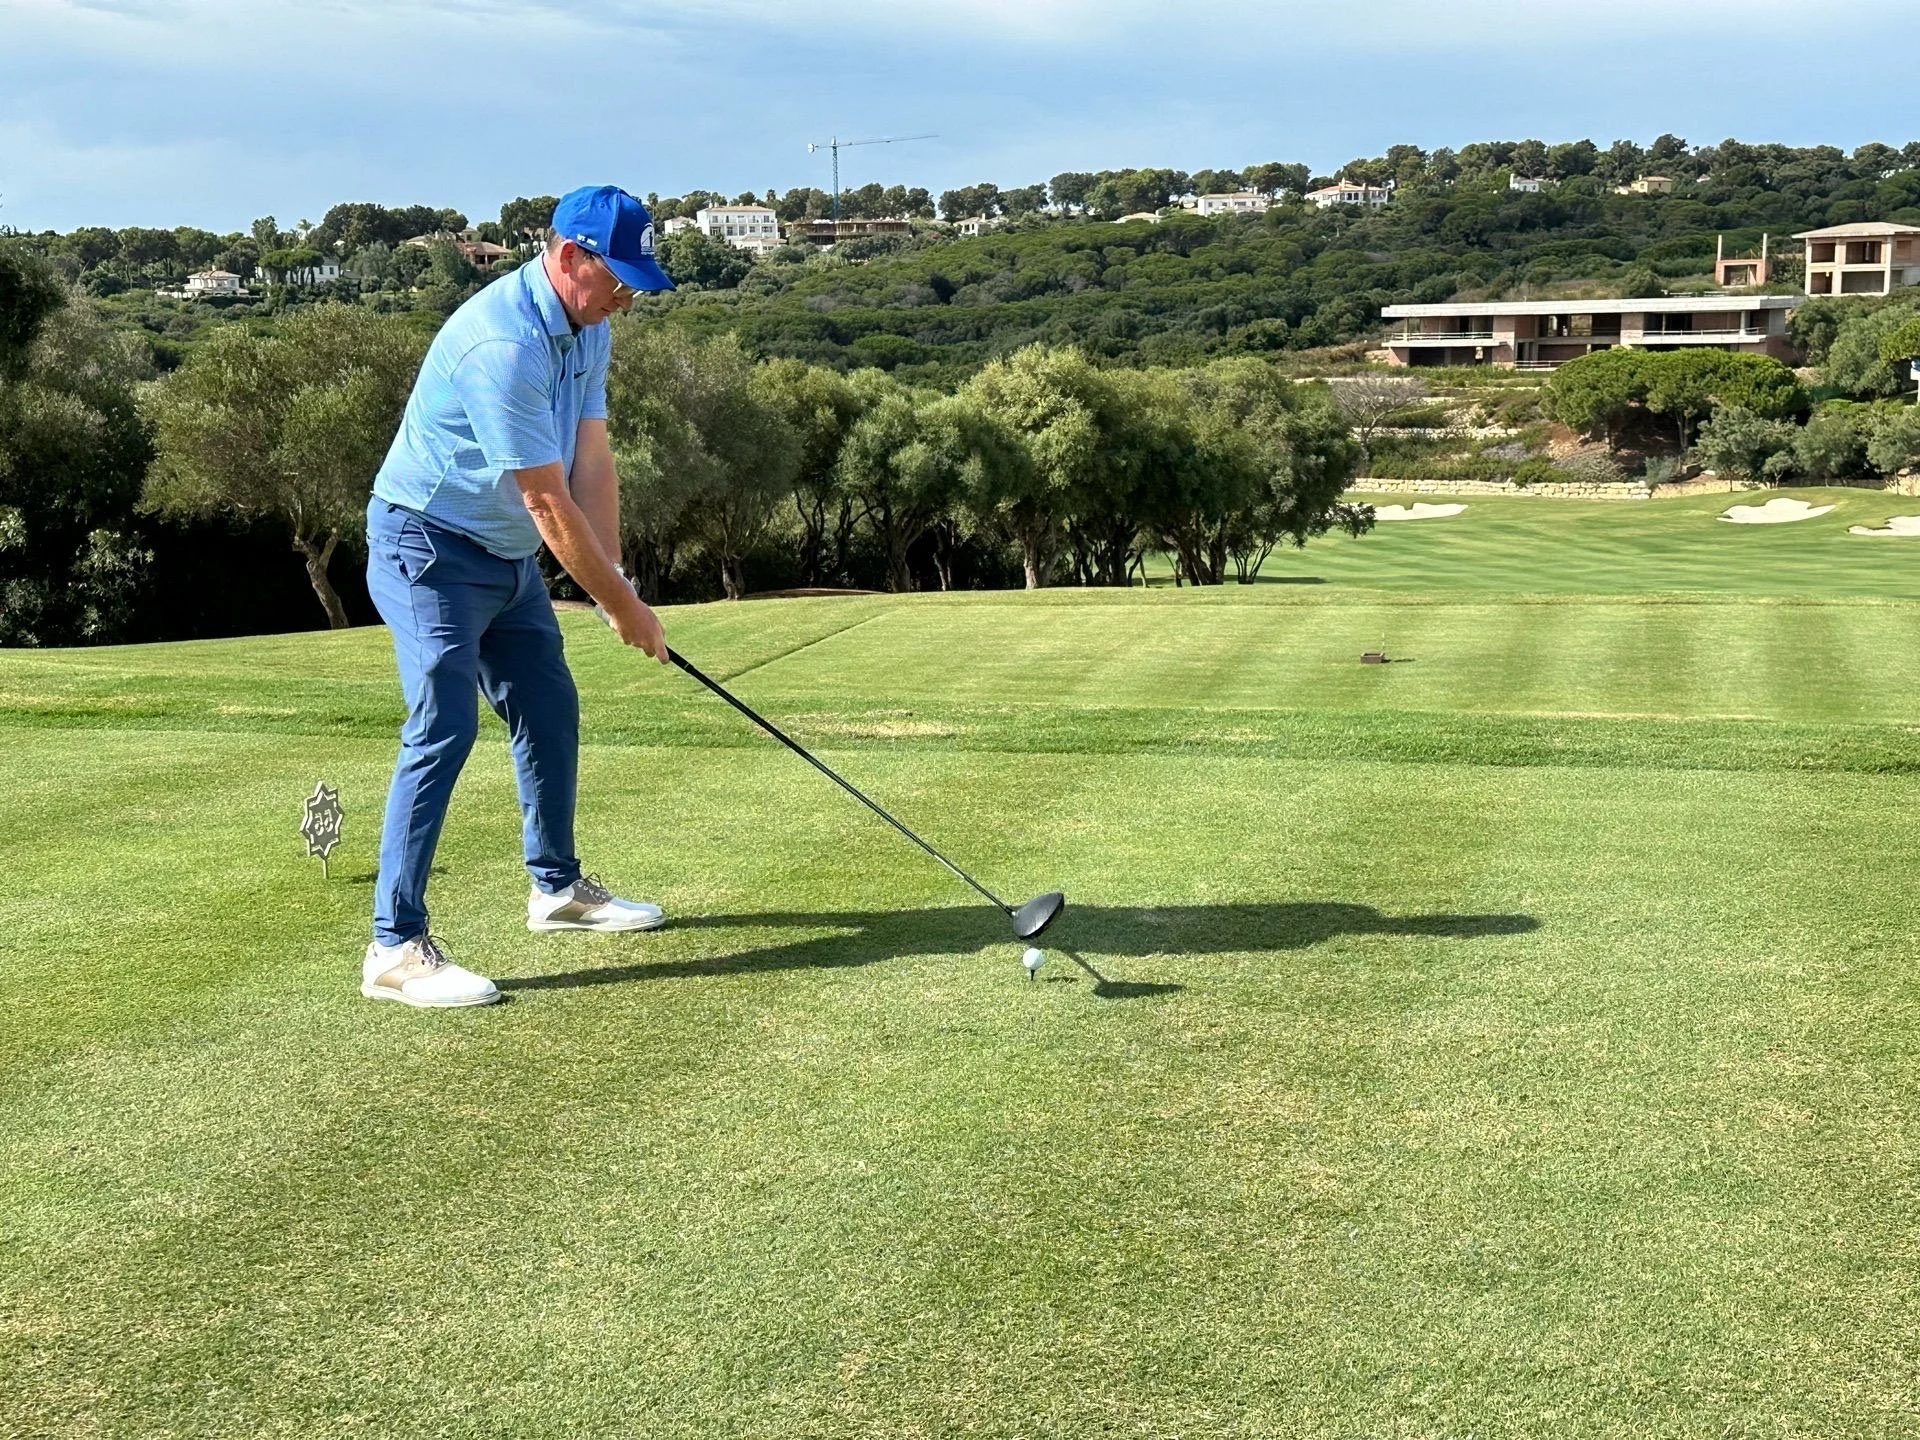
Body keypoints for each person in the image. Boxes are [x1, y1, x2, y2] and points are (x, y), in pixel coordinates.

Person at [359, 185, 674, 1008]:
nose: (627, 296)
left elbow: (591, 462)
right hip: (426, 544)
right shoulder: (501, 345)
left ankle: (557, 890)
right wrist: (619, 605)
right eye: (619, 278)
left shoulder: (586, 323)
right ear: (571, 257)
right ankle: (393, 948)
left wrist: (617, 581)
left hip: (502, 553)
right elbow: (546, 501)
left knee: (547, 703)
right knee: (444, 724)